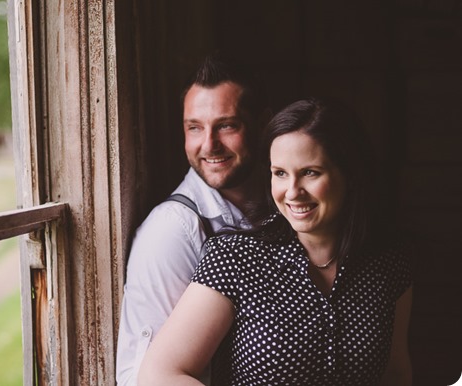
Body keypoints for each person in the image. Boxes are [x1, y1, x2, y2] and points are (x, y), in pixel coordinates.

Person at [138, 98, 413, 386]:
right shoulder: (235, 257)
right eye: (280, 173)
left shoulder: (389, 260)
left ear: (350, 175)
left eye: (310, 172)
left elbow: (395, 373)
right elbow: (159, 374)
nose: (292, 192)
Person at [116, 53, 268, 385]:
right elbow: (140, 378)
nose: (209, 145)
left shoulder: (283, 208)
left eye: (227, 125)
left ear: (262, 124)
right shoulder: (172, 230)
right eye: (194, 128)